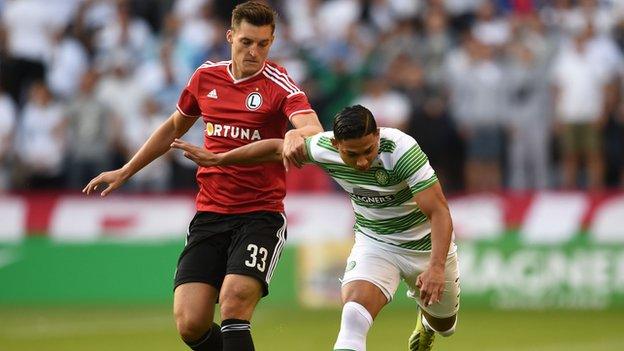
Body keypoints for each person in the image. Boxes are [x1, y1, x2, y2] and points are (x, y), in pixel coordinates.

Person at [83, 2, 323, 351]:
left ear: (271, 42)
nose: (254, 51)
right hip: (210, 215)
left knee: (234, 301)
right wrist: (126, 170)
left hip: (260, 216)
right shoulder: (205, 77)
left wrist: (294, 134)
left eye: (262, 43)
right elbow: (172, 128)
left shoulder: (279, 84)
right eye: (246, 42)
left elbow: (313, 129)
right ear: (230, 37)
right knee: (190, 323)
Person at [171, 105, 460, 351]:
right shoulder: (323, 148)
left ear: (377, 135)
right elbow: (275, 148)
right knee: (353, 318)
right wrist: (220, 158)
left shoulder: (402, 150)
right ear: (336, 146)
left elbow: (439, 212)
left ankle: (427, 323)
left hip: (425, 246)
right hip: (376, 242)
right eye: (351, 154)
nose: (361, 162)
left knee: (445, 325)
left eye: (368, 150)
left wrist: (435, 267)